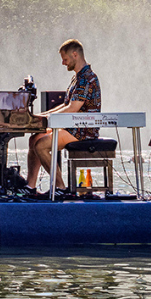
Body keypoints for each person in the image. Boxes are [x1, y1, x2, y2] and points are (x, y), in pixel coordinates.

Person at [24, 39, 101, 191]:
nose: (63, 63)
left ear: (75, 55)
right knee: (34, 139)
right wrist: (42, 115)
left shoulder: (86, 78)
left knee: (41, 145)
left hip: (83, 130)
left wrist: (47, 119)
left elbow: (73, 108)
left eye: (65, 59)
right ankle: (30, 187)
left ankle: (60, 187)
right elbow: (66, 105)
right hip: (73, 127)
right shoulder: (77, 77)